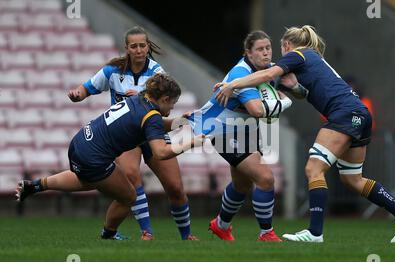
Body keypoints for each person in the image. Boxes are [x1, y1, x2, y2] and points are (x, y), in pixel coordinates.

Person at [214, 25, 395, 243]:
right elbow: (307, 93)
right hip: (358, 113)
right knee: (353, 179)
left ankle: (315, 232)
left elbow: (268, 73)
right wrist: (295, 87)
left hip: (344, 114)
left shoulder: (297, 54)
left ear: (286, 45)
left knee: (314, 168)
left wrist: (232, 85)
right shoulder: (311, 57)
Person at [16, 74, 205, 240]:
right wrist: (190, 144)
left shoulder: (139, 99)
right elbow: (161, 152)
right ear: (164, 99)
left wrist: (181, 122)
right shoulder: (151, 115)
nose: (172, 108)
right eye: (172, 104)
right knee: (129, 197)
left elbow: (152, 124)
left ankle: (35, 186)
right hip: (94, 157)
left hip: (80, 142)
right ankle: (109, 234)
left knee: (90, 181)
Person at [68, 26, 191, 240]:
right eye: (133, 46)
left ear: (147, 46)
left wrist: (142, 97)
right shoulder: (112, 71)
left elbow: (164, 102)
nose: (139, 50)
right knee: (132, 176)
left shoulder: (157, 72)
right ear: (127, 48)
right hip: (127, 136)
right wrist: (78, 94)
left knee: (175, 187)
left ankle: (186, 235)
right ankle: (147, 232)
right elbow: (88, 87)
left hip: (152, 130)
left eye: (142, 45)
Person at [187, 31, 305, 242]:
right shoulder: (240, 74)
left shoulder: (270, 69)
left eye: (268, 48)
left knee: (242, 185)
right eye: (260, 49)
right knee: (265, 178)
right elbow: (257, 110)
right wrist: (285, 102)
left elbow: (299, 92)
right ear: (248, 53)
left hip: (245, 127)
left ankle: (220, 226)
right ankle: (266, 233)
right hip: (221, 127)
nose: (266, 53)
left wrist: (295, 87)